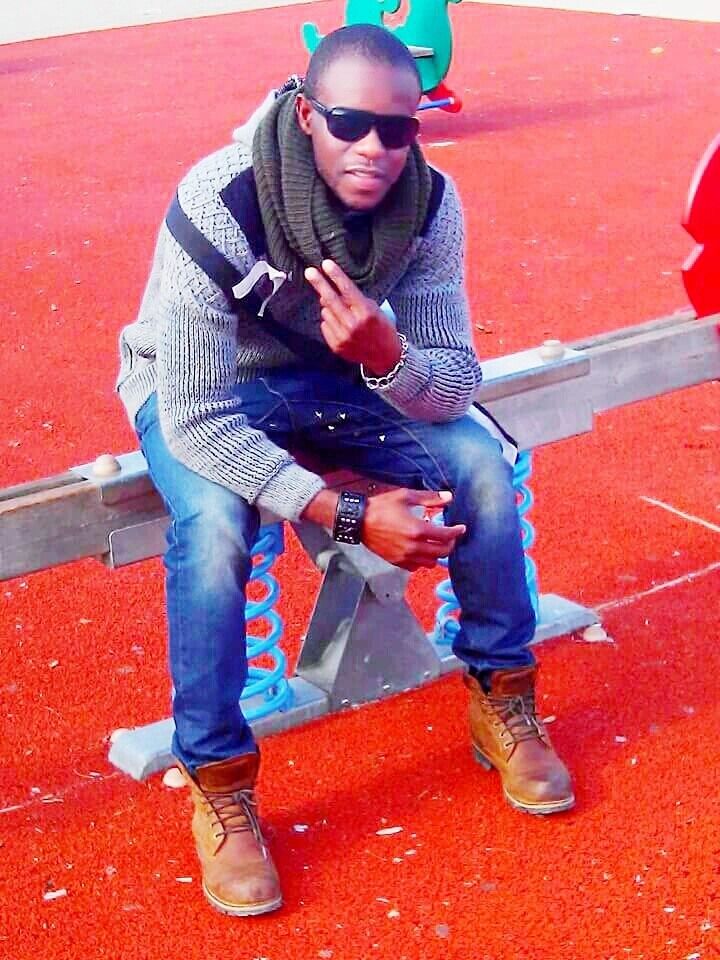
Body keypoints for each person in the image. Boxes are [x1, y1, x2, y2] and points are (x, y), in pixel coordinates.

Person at [116, 24, 574, 918]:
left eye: (396, 129)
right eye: (348, 122)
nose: (373, 148)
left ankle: (502, 694)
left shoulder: (430, 205)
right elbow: (200, 424)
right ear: (306, 115)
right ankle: (219, 780)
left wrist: (387, 356)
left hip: (336, 376)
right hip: (201, 386)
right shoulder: (221, 198)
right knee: (214, 527)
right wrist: (346, 512)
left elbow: (453, 383)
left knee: (481, 465)